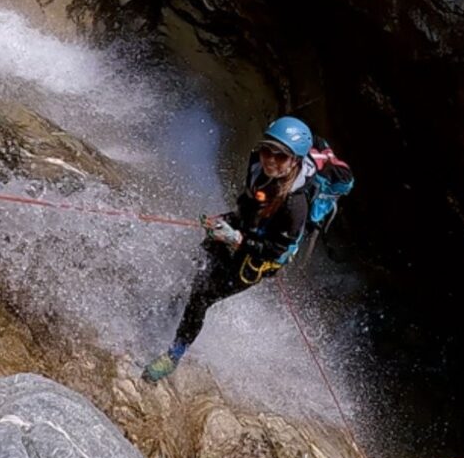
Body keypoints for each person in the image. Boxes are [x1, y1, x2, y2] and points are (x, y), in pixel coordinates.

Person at [142, 115, 350, 383]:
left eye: (280, 156)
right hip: (246, 231)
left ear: (295, 160)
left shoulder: (295, 206)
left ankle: (173, 356)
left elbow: (276, 251)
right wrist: (227, 221)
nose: (271, 160)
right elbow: (249, 205)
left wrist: (238, 240)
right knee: (199, 264)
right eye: (267, 151)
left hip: (258, 260)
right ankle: (174, 310)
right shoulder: (257, 165)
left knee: (203, 296)